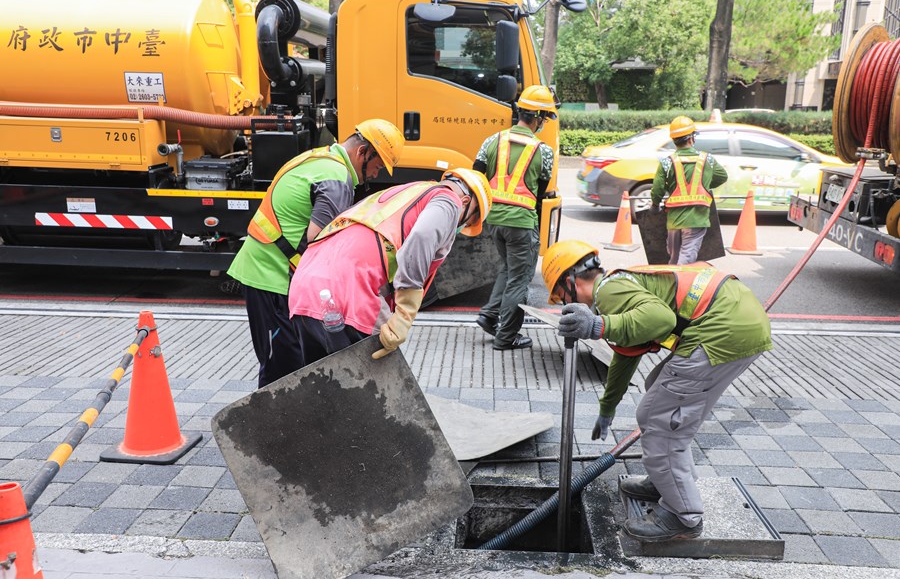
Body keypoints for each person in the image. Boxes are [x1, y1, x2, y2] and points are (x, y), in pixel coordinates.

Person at [541, 240, 772, 542]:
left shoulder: (608, 292)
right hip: (738, 324)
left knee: (657, 420)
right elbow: (625, 354)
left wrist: (597, 325)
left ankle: (682, 516)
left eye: (562, 297)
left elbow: (660, 319)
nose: (566, 306)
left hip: (721, 330)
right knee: (659, 390)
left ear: (570, 280)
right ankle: (667, 481)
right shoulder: (622, 284)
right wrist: (607, 409)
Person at [228, 119, 405, 389]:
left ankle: (289, 426)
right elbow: (321, 243)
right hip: (270, 279)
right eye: (377, 165)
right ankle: (274, 428)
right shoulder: (336, 179)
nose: (375, 173)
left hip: (276, 276)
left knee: (291, 363)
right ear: (362, 153)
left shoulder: (322, 158)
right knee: (281, 369)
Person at [288, 168, 492, 364]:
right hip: (351, 295)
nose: (461, 227)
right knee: (372, 389)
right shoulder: (450, 200)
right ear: (466, 201)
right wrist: (404, 313)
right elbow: (422, 236)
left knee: (319, 390)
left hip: (304, 289)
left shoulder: (405, 192)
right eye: (469, 221)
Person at [474, 85, 556, 350]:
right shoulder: (542, 151)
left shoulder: (492, 140)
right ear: (538, 117)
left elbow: (477, 176)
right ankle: (506, 337)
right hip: (521, 223)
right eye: (544, 118)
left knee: (509, 269)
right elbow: (540, 194)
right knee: (519, 280)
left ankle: (489, 315)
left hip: (495, 219)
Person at [651, 116, 728, 264]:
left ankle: (672, 282)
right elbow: (722, 177)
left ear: (674, 140)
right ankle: (680, 282)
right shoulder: (707, 160)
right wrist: (703, 184)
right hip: (697, 219)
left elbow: (657, 188)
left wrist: (654, 206)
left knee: (673, 256)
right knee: (686, 256)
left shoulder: (667, 162)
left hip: (674, 219)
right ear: (692, 138)